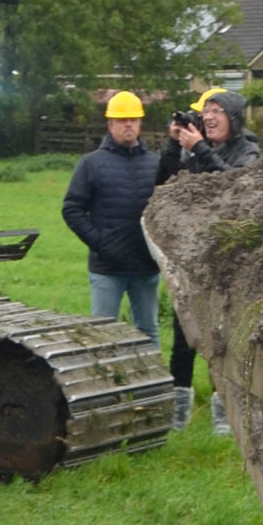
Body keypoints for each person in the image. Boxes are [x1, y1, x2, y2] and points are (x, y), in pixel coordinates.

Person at [158, 87, 261, 433]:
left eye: (217, 109)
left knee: (223, 338)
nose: (209, 116)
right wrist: (174, 146)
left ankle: (224, 413)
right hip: (191, 257)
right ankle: (178, 411)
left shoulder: (249, 151)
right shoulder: (196, 152)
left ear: (232, 117)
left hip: (228, 263)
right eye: (206, 110)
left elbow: (236, 189)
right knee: (183, 336)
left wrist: (200, 149)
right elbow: (163, 184)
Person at [63, 90, 161, 342]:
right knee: (102, 334)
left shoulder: (156, 164)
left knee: (148, 331)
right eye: (121, 120)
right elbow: (72, 209)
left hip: (146, 266)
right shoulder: (91, 163)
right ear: (110, 125)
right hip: (107, 268)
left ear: (140, 123)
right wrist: (101, 244)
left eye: (133, 119)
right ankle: (105, 382)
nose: (128, 124)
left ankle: (154, 382)